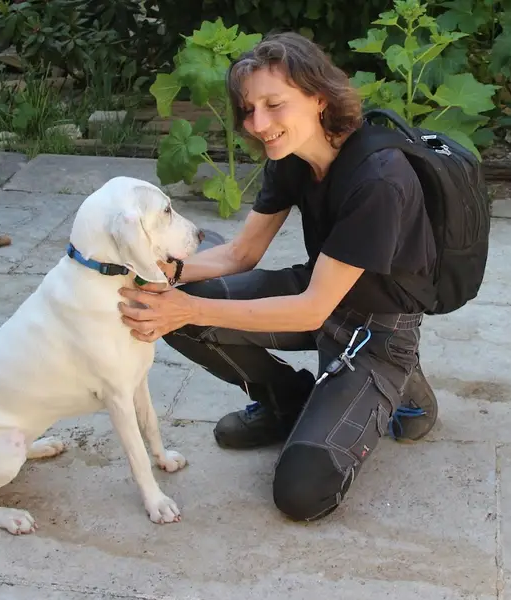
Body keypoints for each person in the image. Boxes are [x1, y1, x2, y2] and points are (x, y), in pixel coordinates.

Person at [117, 31, 439, 522]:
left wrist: (190, 305)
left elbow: (312, 307)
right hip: (317, 291)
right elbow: (239, 254)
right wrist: (169, 273)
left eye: (274, 104)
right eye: (249, 109)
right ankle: (286, 402)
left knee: (302, 494)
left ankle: (404, 383)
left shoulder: (379, 179)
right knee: (167, 309)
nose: (259, 123)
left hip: (377, 328)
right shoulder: (291, 156)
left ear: (318, 97)